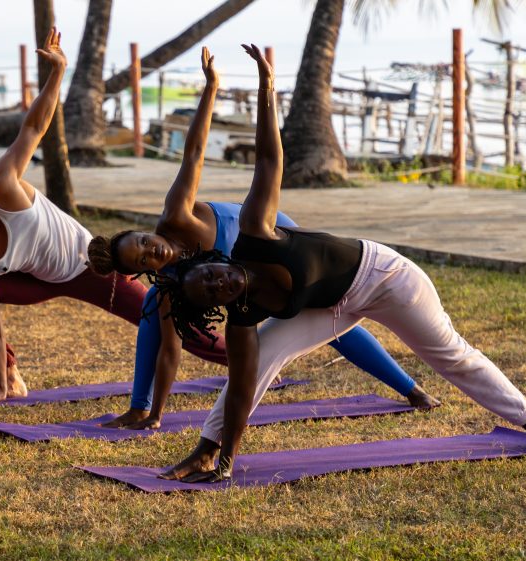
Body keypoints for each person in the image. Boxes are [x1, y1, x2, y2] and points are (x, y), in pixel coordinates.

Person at [149, 44, 526, 483]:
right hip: (330, 305)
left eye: (212, 275)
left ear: (215, 260)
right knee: (259, 361)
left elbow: (269, 161)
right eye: (212, 293)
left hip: (385, 278)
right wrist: (228, 461)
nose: (220, 283)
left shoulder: (254, 232)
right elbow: (242, 390)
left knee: (451, 354)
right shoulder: (242, 318)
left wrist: (267, 87)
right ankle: (206, 452)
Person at [87, 47, 439, 430]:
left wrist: (211, 89)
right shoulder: (172, 283)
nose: (150, 249)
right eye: (143, 260)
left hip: (270, 237)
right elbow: (172, 347)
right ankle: (143, 409)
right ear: (147, 271)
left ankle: (411, 389)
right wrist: (157, 415)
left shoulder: (175, 216)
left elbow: (194, 154)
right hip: (237, 281)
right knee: (154, 311)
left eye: (142, 240)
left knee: (331, 312)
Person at [0, 29, 223, 403]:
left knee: (164, 320)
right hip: (38, 279)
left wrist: (58, 72)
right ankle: (12, 377)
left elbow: (34, 127)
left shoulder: (1, 184)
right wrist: (0, 384)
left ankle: (241, 358)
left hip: (89, 265)